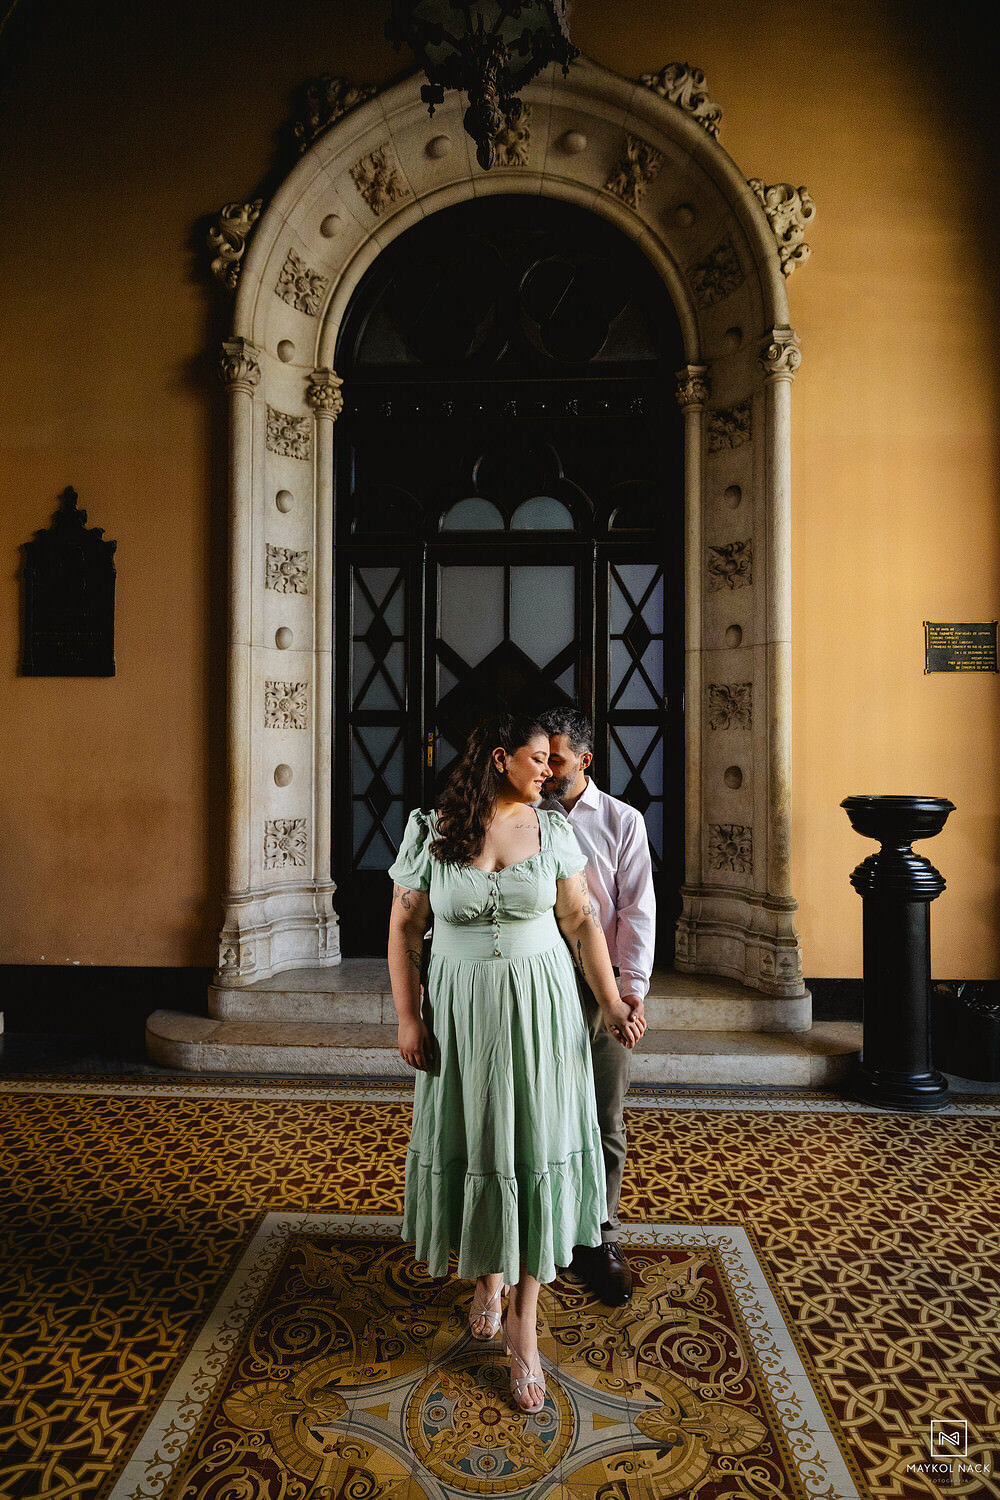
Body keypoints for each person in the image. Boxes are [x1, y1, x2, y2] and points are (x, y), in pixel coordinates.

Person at [387, 713, 645, 1415]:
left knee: (533, 1147)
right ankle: (487, 1278)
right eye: (538, 759)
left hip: (542, 1012)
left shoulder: (552, 829)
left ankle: (523, 1327)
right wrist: (409, 1017)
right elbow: (405, 926)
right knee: (482, 1144)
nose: (549, 771)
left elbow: (581, 922)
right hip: (463, 1015)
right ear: (501, 759)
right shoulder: (432, 829)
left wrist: (613, 1002)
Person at [539, 706, 656, 1306]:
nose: (545, 770)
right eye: (540, 759)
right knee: (541, 1115)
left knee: (605, 1117)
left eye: (556, 760)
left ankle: (601, 1237)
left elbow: (636, 911)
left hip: (603, 992)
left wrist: (629, 992)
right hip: (538, 990)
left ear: (584, 761)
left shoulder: (622, 821)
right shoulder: (524, 817)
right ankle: (543, 1231)